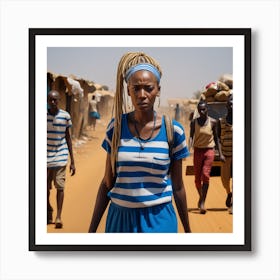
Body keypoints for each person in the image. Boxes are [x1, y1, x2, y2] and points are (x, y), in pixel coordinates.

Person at [88, 52, 191, 233]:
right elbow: (107, 183)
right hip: (120, 221)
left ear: (158, 90)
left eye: (148, 88)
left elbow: (178, 186)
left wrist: (188, 232)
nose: (142, 95)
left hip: (159, 220)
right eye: (136, 88)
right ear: (128, 91)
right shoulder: (116, 128)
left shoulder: (173, 131)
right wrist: (91, 231)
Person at [47, 90, 76, 228]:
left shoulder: (65, 116)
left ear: (59, 100)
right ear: (47, 101)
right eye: (50, 100)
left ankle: (58, 216)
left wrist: (73, 161)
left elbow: (68, 138)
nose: (52, 102)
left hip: (61, 156)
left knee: (60, 187)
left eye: (55, 100)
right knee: (45, 189)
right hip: (44, 158)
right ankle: (48, 209)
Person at [189, 100, 223, 214]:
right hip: (198, 151)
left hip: (209, 151)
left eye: (204, 109)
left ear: (207, 109)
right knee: (197, 179)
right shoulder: (194, 122)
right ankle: (201, 197)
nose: (202, 112)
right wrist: (188, 149)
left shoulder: (213, 122)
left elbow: (217, 138)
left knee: (205, 175)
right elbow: (190, 137)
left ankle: (202, 202)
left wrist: (221, 153)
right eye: (200, 110)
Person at [217, 95, 233, 214]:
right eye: (230, 103)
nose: (232, 105)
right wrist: (220, 153)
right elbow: (217, 137)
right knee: (224, 180)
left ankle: (233, 205)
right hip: (225, 155)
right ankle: (229, 193)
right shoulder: (221, 121)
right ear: (226, 106)